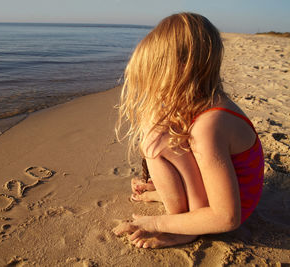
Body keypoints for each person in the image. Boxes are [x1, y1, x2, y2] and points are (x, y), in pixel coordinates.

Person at [113, 12, 264, 249]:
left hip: (223, 212)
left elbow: (227, 217)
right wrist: (162, 185)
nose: (154, 90)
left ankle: (182, 228)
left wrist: (157, 223)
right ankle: (171, 200)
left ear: (180, 70)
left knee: (155, 142)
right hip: (224, 193)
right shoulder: (209, 103)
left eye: (155, 78)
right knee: (159, 131)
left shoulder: (210, 125)